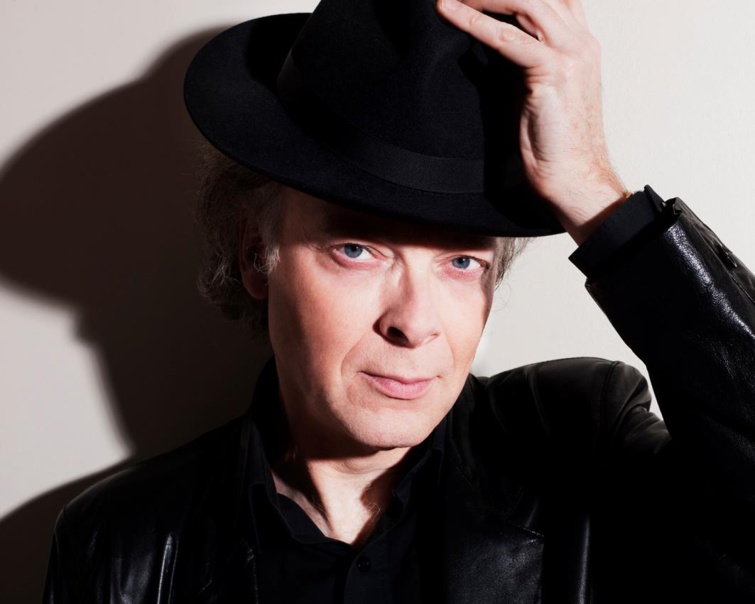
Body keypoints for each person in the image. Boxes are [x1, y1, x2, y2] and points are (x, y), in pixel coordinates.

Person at [43, 0, 755, 602]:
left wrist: (597, 198)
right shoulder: (119, 547)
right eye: (357, 250)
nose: (414, 324)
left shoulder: (581, 443)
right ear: (255, 254)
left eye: (461, 262)